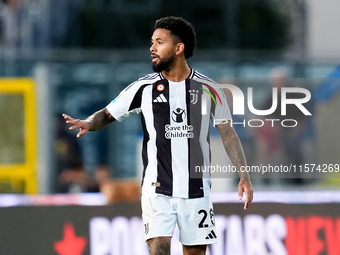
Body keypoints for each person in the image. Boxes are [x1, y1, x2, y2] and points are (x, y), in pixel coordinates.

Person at [63, 16, 253, 255]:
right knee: (159, 248)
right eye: (152, 42)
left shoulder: (209, 89)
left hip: (197, 189)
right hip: (157, 188)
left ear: (178, 48)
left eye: (159, 42)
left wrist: (244, 175)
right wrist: (88, 122)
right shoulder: (143, 88)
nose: (152, 48)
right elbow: (108, 114)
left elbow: (228, 133)